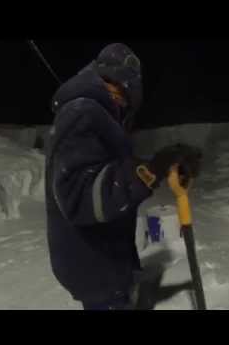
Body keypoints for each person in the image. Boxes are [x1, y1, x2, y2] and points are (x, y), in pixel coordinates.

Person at [45, 43, 202, 310]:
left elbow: (108, 177)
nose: (121, 103)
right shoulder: (82, 112)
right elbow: (80, 197)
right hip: (95, 269)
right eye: (116, 90)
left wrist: (160, 165)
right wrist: (150, 170)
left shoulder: (96, 115)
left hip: (105, 263)